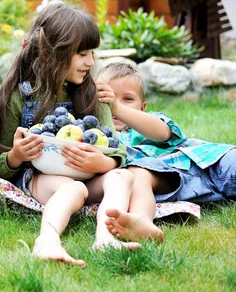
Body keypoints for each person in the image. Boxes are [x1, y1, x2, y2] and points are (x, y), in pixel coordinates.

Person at [0, 2, 137, 267]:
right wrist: (16, 157)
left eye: (91, 53)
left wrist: (105, 163)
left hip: (88, 178)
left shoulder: (94, 94)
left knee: (123, 177)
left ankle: (106, 238)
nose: (90, 62)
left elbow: (117, 150)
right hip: (41, 180)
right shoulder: (20, 97)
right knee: (72, 188)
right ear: (49, 51)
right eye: (81, 53)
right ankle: (47, 240)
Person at [96, 62, 236, 242]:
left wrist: (116, 107)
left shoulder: (150, 120)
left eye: (128, 99)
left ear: (142, 107)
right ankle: (140, 220)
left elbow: (162, 133)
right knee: (138, 172)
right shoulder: (99, 135)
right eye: (109, 99)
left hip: (209, 160)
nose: (116, 104)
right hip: (173, 180)